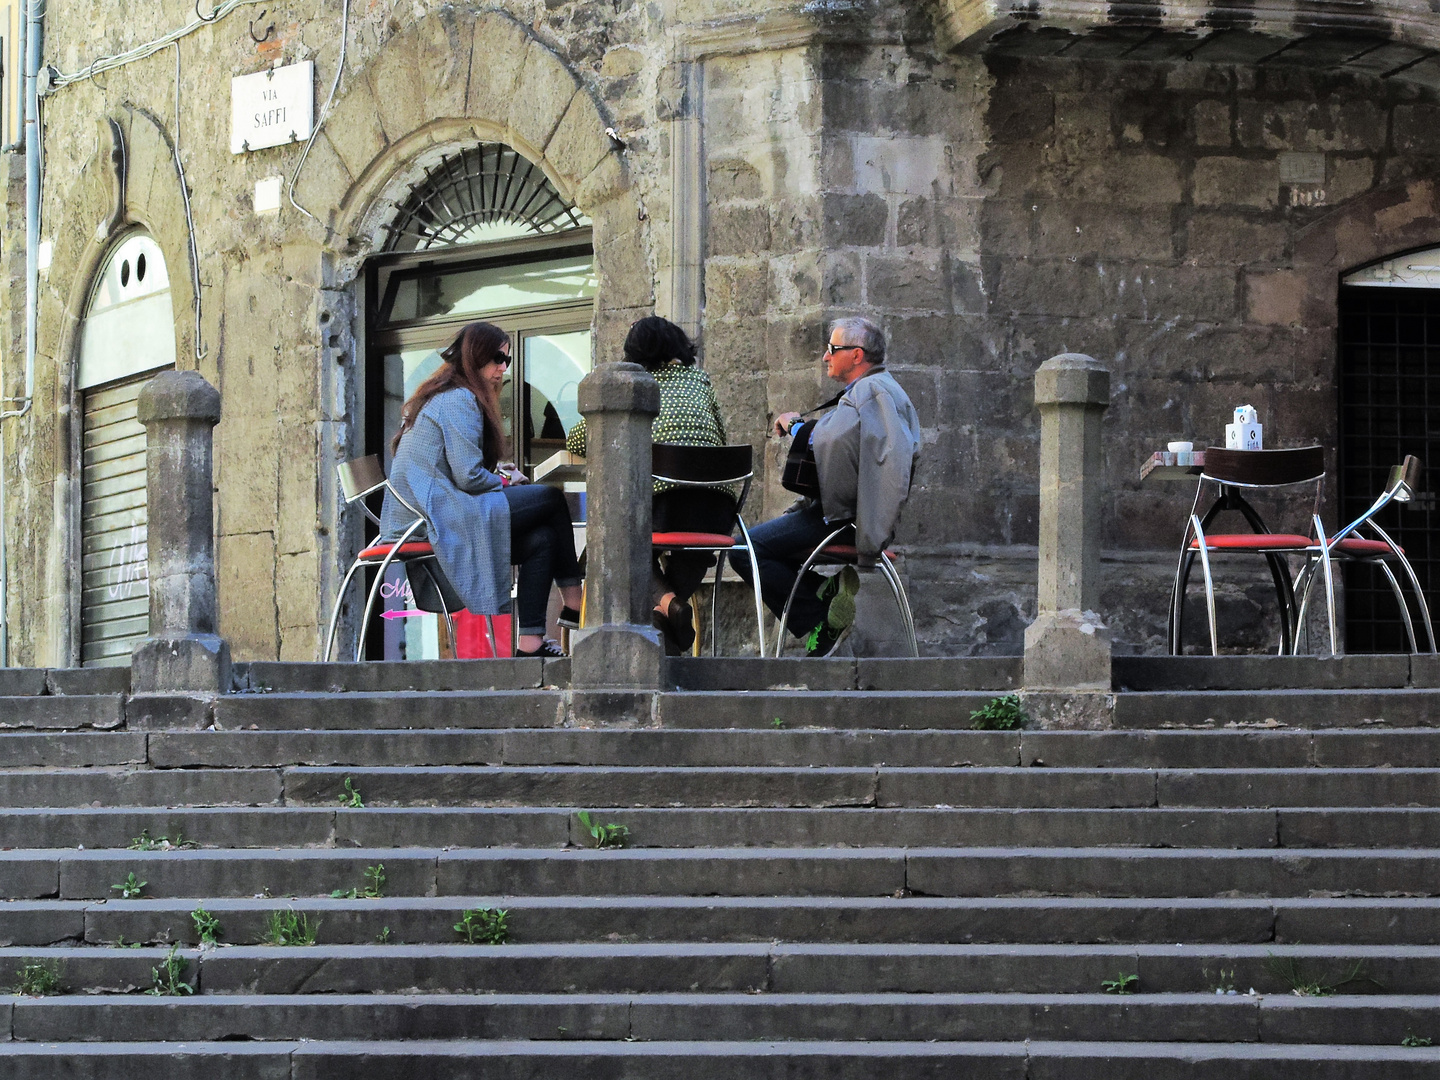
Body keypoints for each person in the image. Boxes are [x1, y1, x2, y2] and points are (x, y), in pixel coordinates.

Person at [381, 321, 582, 658]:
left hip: (431, 513)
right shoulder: (459, 397)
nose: (502, 368)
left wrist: (501, 477)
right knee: (550, 498)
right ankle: (575, 601)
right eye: (495, 359)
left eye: (507, 361)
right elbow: (469, 478)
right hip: (435, 518)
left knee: (544, 539)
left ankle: (531, 644)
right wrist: (505, 481)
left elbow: (463, 473)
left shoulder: (443, 396)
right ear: (473, 358)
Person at [730, 316, 920, 657]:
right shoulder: (878, 390)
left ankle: (823, 610)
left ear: (857, 355)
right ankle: (823, 599)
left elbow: (831, 441)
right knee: (762, 548)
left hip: (844, 519)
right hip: (854, 514)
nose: (825, 356)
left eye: (833, 349)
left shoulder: (871, 391)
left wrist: (796, 426)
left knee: (744, 549)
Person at [566, 316, 733, 653]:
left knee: (615, 545)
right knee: (686, 556)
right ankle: (668, 617)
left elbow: (581, 439)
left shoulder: (633, 387)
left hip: (663, 507)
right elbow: (722, 436)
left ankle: (667, 603)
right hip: (717, 511)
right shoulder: (700, 380)